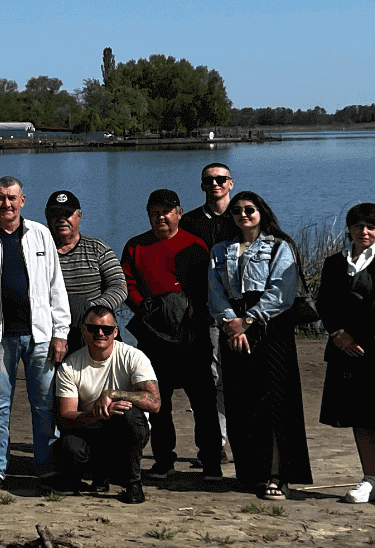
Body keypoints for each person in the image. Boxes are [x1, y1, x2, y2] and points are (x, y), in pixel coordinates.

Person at [209, 191, 311, 499]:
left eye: (249, 209)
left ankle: (277, 474)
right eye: (237, 210)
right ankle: (251, 471)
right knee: (242, 400)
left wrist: (248, 320)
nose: (243, 214)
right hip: (232, 330)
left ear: (261, 212)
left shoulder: (280, 246)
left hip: (270, 329)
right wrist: (230, 322)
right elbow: (214, 291)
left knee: (274, 403)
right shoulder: (220, 250)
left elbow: (283, 290)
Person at [0, 176, 72, 484]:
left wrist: (61, 332)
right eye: (1, 198)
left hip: (40, 334)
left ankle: (46, 464)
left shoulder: (40, 235)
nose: (7, 204)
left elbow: (57, 287)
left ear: (23, 200)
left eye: (12, 198)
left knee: (43, 403)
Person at [120, 191, 218, 480]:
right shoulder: (136, 246)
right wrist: (145, 308)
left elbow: (206, 286)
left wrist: (190, 311)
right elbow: (127, 281)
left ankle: (211, 461)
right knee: (157, 403)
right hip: (153, 337)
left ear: (179, 212)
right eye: (155, 212)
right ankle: (164, 461)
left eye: (167, 211)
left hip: (191, 338)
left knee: (203, 401)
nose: (161, 217)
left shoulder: (195, 244)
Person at [319, 204, 375, 507]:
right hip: (344, 347)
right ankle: (370, 479)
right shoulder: (334, 263)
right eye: (358, 226)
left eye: (371, 227)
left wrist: (357, 336)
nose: (364, 232)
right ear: (350, 229)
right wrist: (338, 334)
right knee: (360, 414)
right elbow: (325, 303)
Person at [48, 304, 160, 502]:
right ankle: (92, 475)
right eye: (93, 328)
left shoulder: (133, 356)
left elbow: (154, 402)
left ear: (115, 332)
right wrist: (97, 415)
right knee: (67, 447)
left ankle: (133, 483)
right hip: (92, 430)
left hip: (126, 433)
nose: (100, 333)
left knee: (127, 412)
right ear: (83, 330)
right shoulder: (70, 366)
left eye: (107, 329)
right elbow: (64, 417)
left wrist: (115, 394)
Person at [182, 163, 239, 468]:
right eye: (209, 180)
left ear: (230, 183)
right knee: (211, 377)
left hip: (240, 314)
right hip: (204, 313)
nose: (215, 184)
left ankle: (240, 440)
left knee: (238, 378)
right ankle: (215, 444)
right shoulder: (190, 222)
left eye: (220, 179)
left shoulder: (243, 217)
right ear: (202, 185)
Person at [44, 191, 126, 329]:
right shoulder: (37, 251)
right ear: (47, 217)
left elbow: (119, 286)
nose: (62, 219)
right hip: (51, 325)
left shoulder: (97, 248)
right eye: (56, 214)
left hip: (93, 326)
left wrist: (90, 311)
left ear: (79, 216)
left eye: (68, 214)